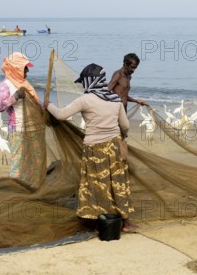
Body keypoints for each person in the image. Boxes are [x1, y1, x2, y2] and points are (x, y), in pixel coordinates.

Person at [44, 63, 137, 232]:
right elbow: (125, 125)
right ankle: (126, 223)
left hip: (94, 149)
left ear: (89, 81)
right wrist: (120, 137)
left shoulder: (85, 100)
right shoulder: (115, 99)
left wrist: (48, 105)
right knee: (118, 183)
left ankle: (97, 221)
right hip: (115, 146)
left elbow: (61, 115)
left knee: (96, 184)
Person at [0, 52, 46, 189]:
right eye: (25, 67)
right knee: (18, 162)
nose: (28, 70)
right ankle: (15, 191)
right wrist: (15, 97)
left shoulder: (26, 84)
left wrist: (44, 107)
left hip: (34, 129)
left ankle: (33, 189)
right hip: (18, 130)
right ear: (16, 68)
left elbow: (34, 105)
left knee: (36, 162)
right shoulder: (5, 85)